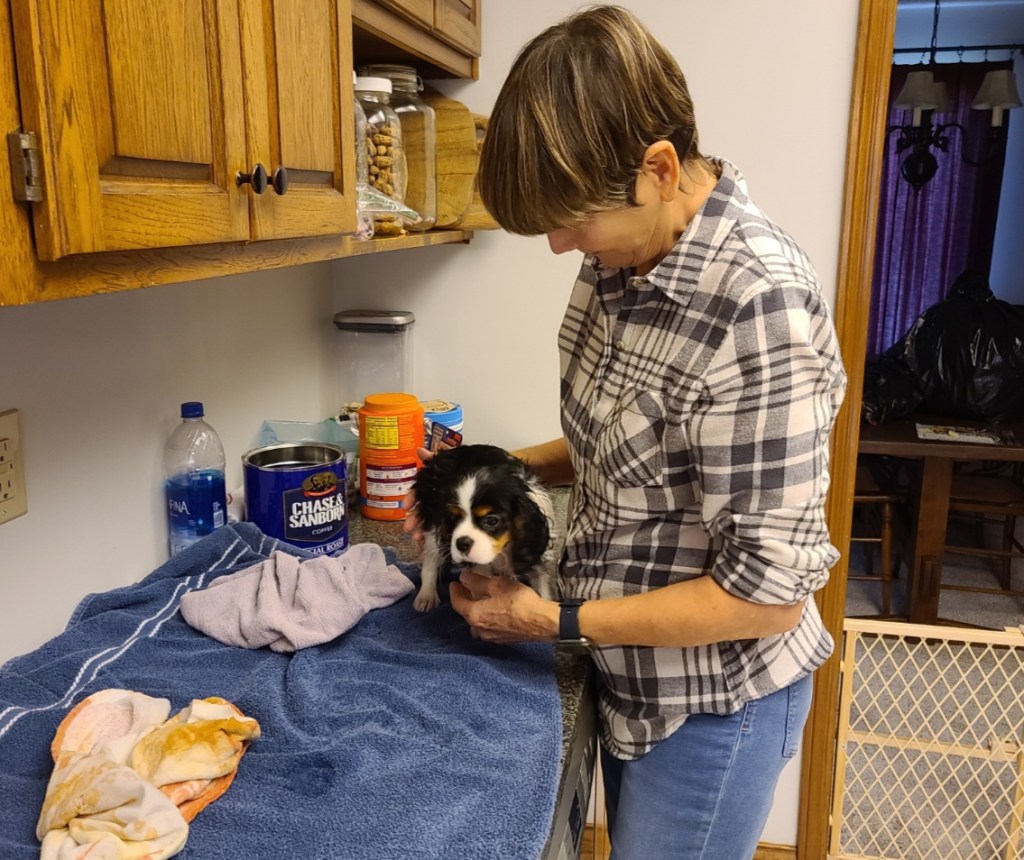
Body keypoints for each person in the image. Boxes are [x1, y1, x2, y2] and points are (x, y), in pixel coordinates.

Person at [405, 6, 847, 858]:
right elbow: (629, 446)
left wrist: (552, 621)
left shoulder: (759, 311)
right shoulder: (622, 259)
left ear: (660, 169)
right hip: (620, 658)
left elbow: (766, 596)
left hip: (707, 702)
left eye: (573, 221)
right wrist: (489, 475)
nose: (559, 245)